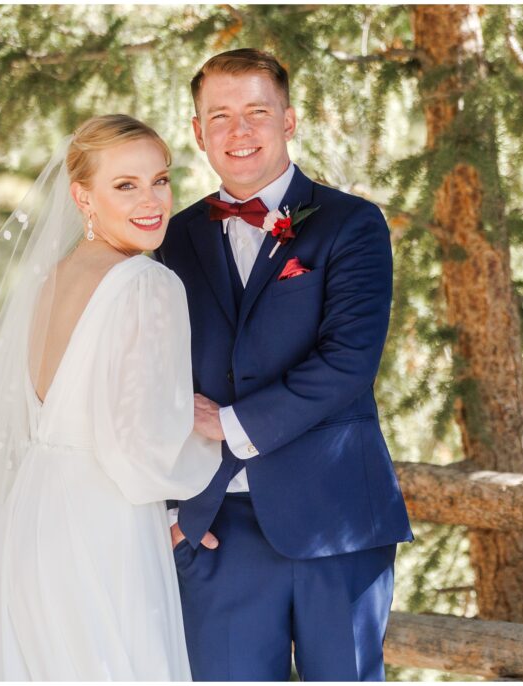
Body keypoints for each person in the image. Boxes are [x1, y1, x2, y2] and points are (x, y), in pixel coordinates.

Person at [0, 115, 222, 681]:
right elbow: (136, 451)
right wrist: (197, 435)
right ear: (83, 196)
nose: (152, 201)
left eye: (161, 179)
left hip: (35, 512)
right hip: (105, 520)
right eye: (125, 185)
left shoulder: (48, 281)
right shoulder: (149, 284)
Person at [156, 48, 413, 681]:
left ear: (289, 120)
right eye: (219, 116)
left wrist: (231, 423)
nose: (238, 132)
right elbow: (146, 373)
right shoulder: (169, 237)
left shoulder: (352, 224)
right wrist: (166, 508)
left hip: (338, 524)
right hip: (213, 528)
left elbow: (349, 361)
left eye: (256, 112)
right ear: (197, 131)